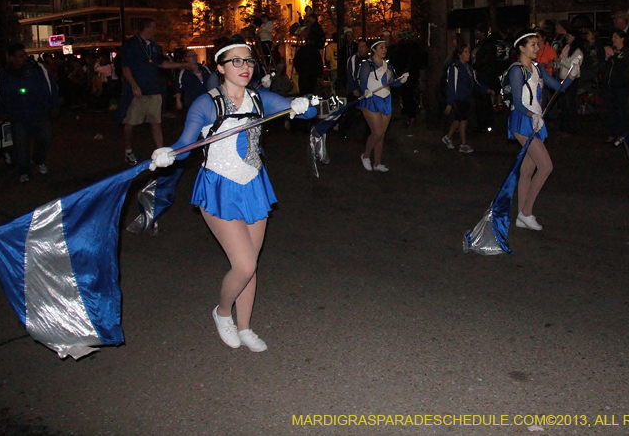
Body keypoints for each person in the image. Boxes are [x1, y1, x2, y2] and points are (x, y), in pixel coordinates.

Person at [148, 42, 316, 351]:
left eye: (249, 61)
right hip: (219, 187)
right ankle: (223, 312)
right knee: (244, 264)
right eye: (235, 61)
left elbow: (310, 111)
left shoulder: (261, 98)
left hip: (254, 185)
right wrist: (167, 153)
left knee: (250, 264)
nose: (244, 66)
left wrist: (303, 104)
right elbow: (184, 144)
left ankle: (245, 326)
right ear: (220, 67)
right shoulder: (206, 104)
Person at [506, 31, 572, 231]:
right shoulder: (516, 70)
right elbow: (517, 103)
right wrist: (532, 115)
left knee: (528, 170)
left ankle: (521, 215)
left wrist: (572, 73)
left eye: (538, 44)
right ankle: (526, 213)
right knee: (545, 166)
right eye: (533, 44)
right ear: (522, 48)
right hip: (522, 120)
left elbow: (559, 88)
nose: (537, 48)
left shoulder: (537, 68)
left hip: (534, 120)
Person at [116, 18, 189, 166]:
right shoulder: (131, 44)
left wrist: (182, 64)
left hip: (153, 90)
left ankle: (160, 151)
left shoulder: (153, 46)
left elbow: (161, 63)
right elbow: (125, 67)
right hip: (138, 92)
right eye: (153, 28)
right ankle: (128, 151)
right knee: (131, 123)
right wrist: (134, 85)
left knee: (156, 122)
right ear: (146, 28)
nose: (155, 31)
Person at [0, 43, 60, 183]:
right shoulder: (3, 75)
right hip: (18, 115)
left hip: (39, 112)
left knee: (46, 137)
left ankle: (37, 160)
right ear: (11, 58)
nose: (24, 58)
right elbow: (2, 95)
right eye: (20, 56)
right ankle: (24, 171)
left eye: (24, 54)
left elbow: (51, 86)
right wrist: (3, 110)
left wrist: (54, 105)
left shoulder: (37, 68)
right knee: (21, 145)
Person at [357, 40, 409, 172]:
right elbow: (362, 83)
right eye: (381, 47)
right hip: (372, 100)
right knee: (377, 133)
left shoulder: (388, 65)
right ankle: (365, 156)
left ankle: (377, 163)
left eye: (385, 47)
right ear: (374, 49)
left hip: (386, 99)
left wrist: (401, 80)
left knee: (382, 134)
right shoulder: (367, 64)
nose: (384, 50)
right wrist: (365, 91)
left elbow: (392, 83)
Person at [442, 43, 494, 153]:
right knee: (463, 120)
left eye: (468, 52)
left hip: (466, 98)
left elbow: (474, 83)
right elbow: (451, 86)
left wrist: (486, 90)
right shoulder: (455, 68)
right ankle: (463, 144)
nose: (468, 54)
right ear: (459, 55)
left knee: (458, 119)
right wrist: (449, 103)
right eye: (465, 52)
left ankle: (447, 137)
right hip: (458, 98)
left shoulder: (469, 68)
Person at [602, 30, 629, 144]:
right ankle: (613, 133)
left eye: (616, 37)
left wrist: (613, 56)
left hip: (621, 86)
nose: (613, 39)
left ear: (622, 39)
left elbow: (623, 65)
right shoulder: (613, 51)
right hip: (610, 85)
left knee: (621, 110)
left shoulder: (627, 52)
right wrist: (607, 58)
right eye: (612, 37)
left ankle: (622, 134)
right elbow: (606, 67)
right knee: (611, 110)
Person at [557, 29, 584, 135]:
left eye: (569, 36)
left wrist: (561, 61)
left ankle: (571, 126)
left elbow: (573, 66)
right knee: (563, 103)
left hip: (571, 80)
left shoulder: (578, 51)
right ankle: (564, 124)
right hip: (563, 77)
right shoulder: (566, 48)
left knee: (569, 103)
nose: (567, 38)